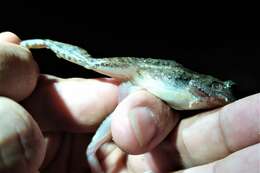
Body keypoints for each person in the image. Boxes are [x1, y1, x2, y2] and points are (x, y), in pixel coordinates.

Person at [0, 31, 258, 173]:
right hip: (144, 70)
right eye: (227, 89)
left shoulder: (215, 98)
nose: (227, 94)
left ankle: (92, 158)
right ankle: (45, 42)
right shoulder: (207, 87)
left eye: (230, 91)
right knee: (93, 64)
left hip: (144, 93)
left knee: (102, 139)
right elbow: (197, 85)